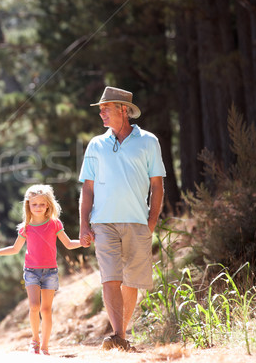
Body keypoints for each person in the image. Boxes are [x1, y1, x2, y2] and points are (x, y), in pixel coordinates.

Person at [78, 86, 165, 351]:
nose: (101, 113)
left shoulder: (149, 141)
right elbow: (87, 187)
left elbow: (157, 185)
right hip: (103, 222)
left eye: (106, 108)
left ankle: (121, 335)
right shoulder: (96, 144)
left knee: (131, 282)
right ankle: (118, 334)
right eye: (101, 109)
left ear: (123, 110)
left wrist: (151, 221)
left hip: (138, 222)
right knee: (110, 278)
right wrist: (83, 223)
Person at [0, 184, 83, 355]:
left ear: (48, 204)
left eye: (42, 204)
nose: (38, 207)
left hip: (50, 272)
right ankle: (35, 340)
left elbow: (69, 244)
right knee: (34, 306)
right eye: (34, 204)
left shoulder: (55, 224)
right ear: (28, 205)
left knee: (46, 309)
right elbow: (14, 248)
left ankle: (45, 346)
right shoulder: (25, 227)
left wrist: (84, 242)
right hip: (31, 271)